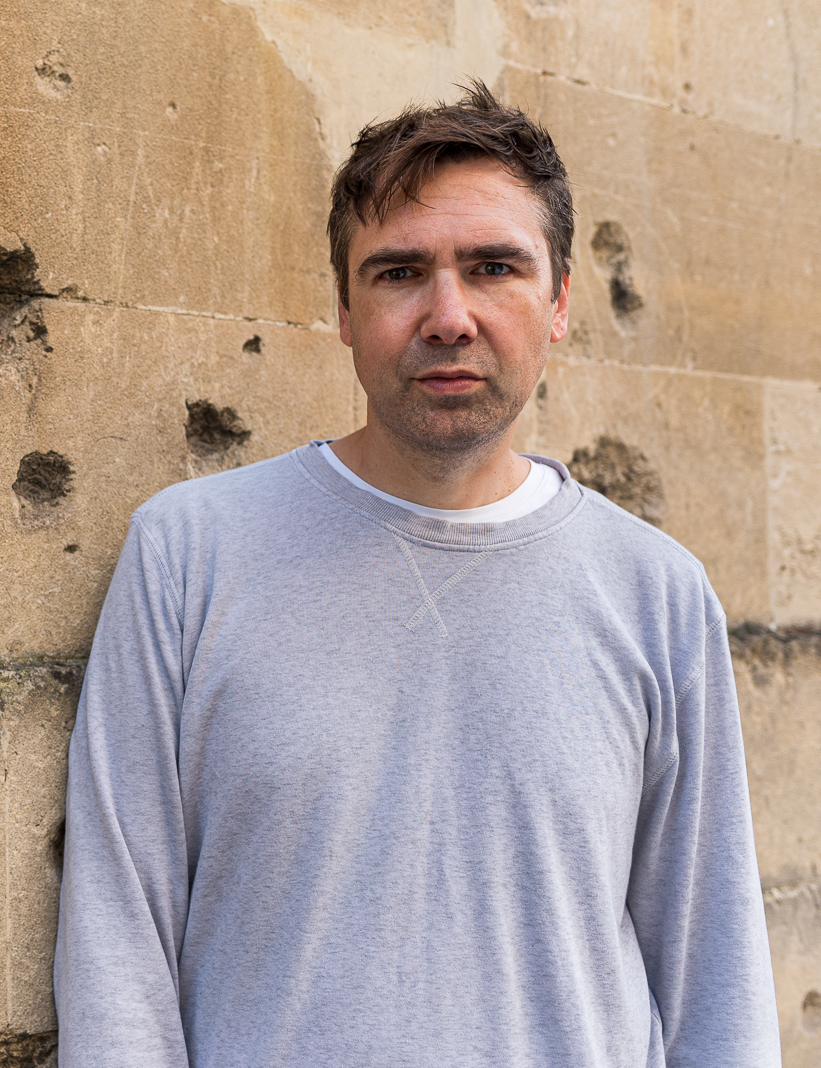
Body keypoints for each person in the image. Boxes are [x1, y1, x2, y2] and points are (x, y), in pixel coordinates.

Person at [53, 82, 781, 1066]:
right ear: (343, 309)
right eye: (400, 272)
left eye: (494, 268)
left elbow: (716, 982)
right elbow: (117, 949)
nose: (448, 316)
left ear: (561, 301)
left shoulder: (657, 593)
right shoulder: (189, 555)